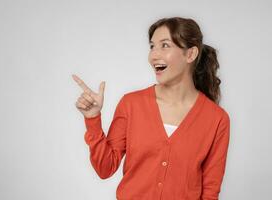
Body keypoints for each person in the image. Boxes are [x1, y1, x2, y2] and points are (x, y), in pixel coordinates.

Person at [72, 16, 230, 200]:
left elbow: (210, 192)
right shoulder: (131, 104)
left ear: (190, 54)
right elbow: (105, 168)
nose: (153, 55)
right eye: (152, 46)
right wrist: (93, 119)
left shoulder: (216, 119)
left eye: (165, 45)